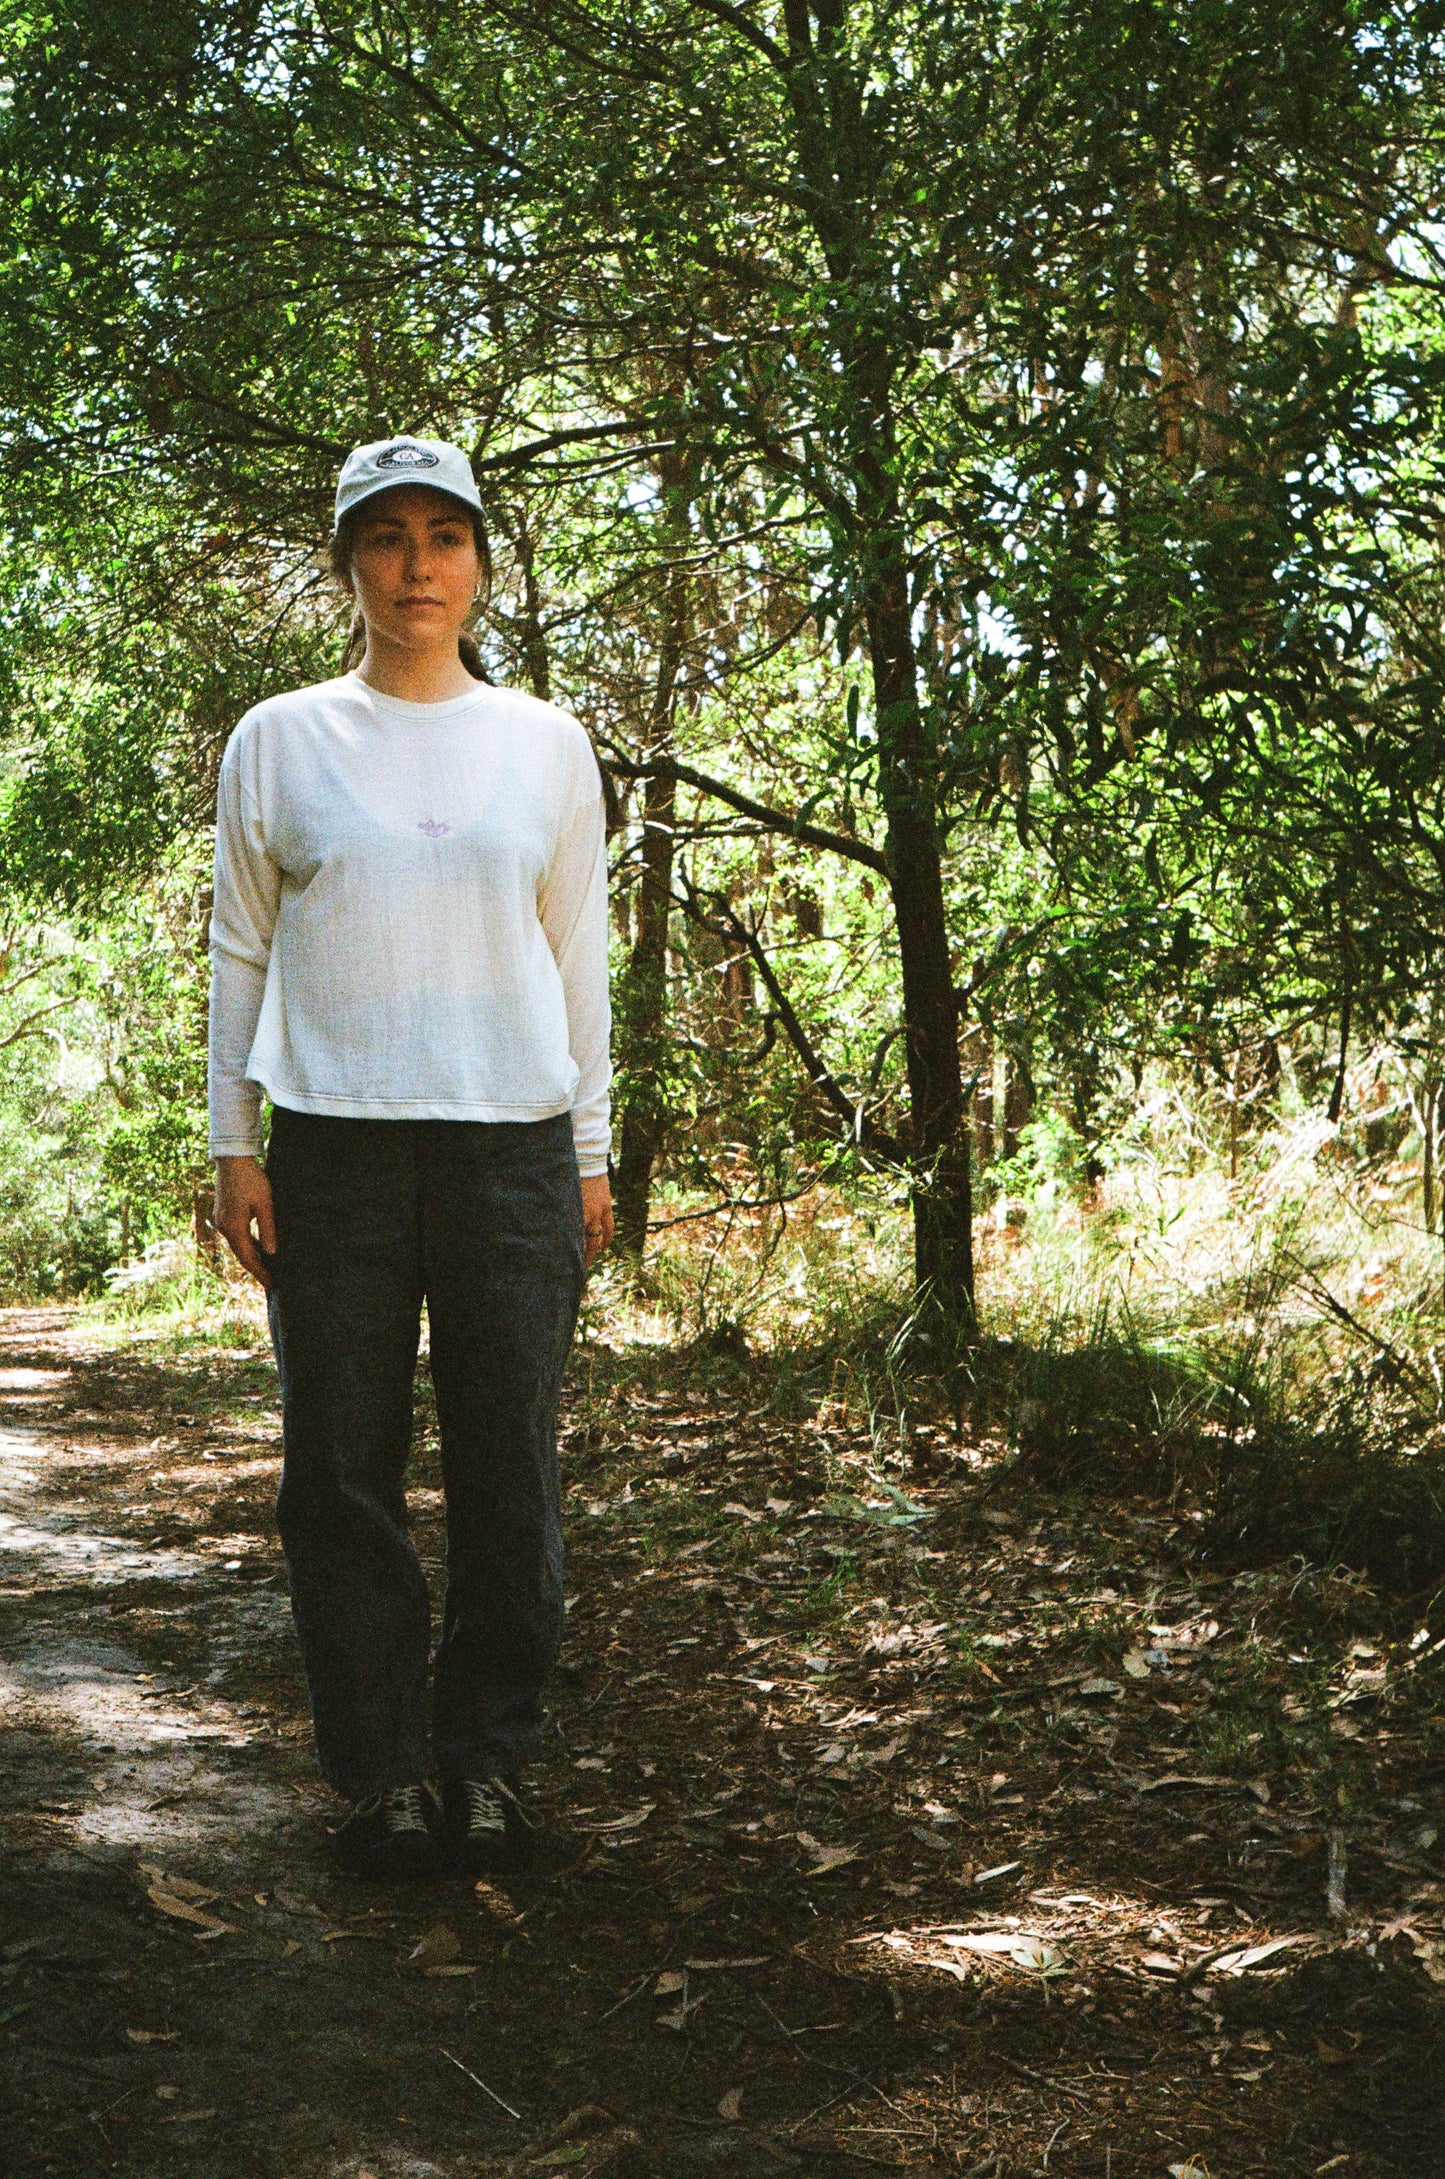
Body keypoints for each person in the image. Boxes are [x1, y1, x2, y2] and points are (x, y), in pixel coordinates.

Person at [208, 434, 613, 1877]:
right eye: (387, 539)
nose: (418, 564)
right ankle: (381, 1773)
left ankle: (487, 1765)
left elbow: (577, 960)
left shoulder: (546, 747)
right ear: (348, 566)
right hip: (334, 1157)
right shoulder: (281, 738)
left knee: (510, 1466)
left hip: (509, 1151)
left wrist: (588, 1149)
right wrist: (234, 1145)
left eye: (446, 536)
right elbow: (241, 949)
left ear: (484, 565)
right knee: (340, 1473)